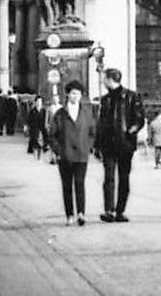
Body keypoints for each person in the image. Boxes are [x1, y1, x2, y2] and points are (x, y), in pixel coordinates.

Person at [95, 68, 145, 224]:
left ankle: (120, 211)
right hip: (108, 144)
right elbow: (100, 123)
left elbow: (139, 118)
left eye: (104, 79)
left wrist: (130, 131)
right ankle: (109, 210)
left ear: (110, 79)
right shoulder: (105, 99)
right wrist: (97, 144)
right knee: (108, 177)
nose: (103, 81)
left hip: (125, 143)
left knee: (124, 177)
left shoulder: (131, 96)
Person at [48, 81, 96, 226]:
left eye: (79, 94)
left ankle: (81, 213)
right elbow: (52, 135)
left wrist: (88, 147)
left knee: (80, 183)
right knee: (67, 185)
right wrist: (59, 150)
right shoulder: (60, 114)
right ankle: (69, 214)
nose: (76, 96)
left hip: (81, 155)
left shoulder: (86, 113)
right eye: (73, 93)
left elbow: (92, 132)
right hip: (65, 155)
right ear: (68, 94)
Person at [26, 94, 48, 159]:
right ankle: (35, 151)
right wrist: (28, 127)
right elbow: (29, 120)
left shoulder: (44, 111)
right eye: (38, 102)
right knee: (34, 139)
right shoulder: (32, 111)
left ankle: (44, 148)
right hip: (34, 128)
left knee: (45, 137)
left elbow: (46, 120)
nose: (39, 103)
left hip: (42, 127)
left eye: (40, 102)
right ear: (35, 102)